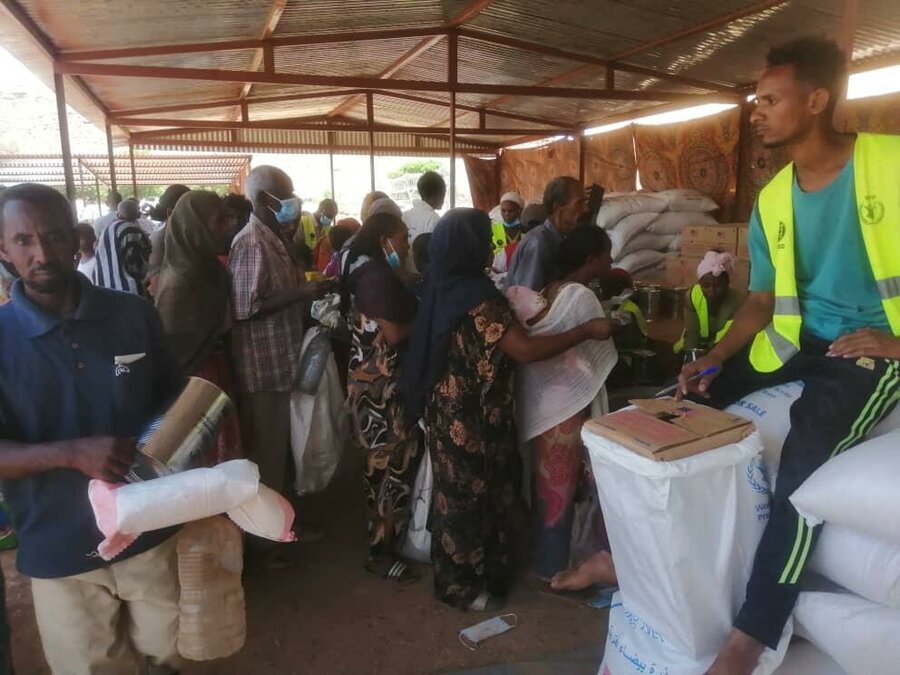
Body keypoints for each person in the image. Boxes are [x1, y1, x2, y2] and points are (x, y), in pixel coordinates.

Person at [676, 38, 900, 675]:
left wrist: (897, 344)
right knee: (687, 404)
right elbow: (760, 301)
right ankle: (640, 550)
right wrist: (711, 359)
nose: (757, 112)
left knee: (805, 459)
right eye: (756, 101)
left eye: (771, 99)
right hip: (797, 340)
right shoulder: (774, 197)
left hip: (869, 350)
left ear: (818, 100)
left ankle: (754, 630)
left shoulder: (891, 165)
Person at [0, 183, 184, 673]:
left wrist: (197, 485)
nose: (41, 253)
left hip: (150, 529)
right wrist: (70, 453)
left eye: (55, 237)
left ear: (77, 238)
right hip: (60, 549)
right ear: (3, 248)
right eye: (23, 241)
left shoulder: (132, 314)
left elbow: (175, 403)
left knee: (170, 654)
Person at [402, 208, 616, 611]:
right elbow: (524, 350)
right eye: (485, 238)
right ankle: (461, 587)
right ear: (470, 244)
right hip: (474, 416)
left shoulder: (444, 284)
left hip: (448, 408)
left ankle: (471, 575)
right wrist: (586, 330)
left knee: (459, 496)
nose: (491, 245)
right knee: (472, 499)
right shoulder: (477, 298)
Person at [508, 224, 620, 583]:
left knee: (546, 488)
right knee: (560, 488)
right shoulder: (580, 298)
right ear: (592, 258)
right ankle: (552, 567)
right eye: (607, 254)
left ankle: (546, 559)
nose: (612, 259)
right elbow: (588, 353)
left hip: (543, 401)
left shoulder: (550, 289)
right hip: (565, 407)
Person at [229, 166, 328, 560]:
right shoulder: (251, 242)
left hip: (279, 362)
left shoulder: (272, 238)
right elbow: (244, 308)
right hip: (262, 368)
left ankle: (280, 528)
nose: (292, 203)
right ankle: (264, 544)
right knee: (267, 459)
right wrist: (300, 292)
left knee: (279, 454)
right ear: (262, 199)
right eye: (284, 196)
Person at [340, 212, 421, 584]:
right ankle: (379, 552)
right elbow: (393, 334)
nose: (406, 244)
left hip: (370, 384)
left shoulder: (367, 269)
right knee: (389, 469)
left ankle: (383, 538)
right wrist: (428, 320)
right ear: (386, 238)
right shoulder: (375, 277)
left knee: (383, 467)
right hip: (380, 392)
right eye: (403, 238)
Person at [155, 191, 242, 466]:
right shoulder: (179, 283)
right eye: (219, 220)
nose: (227, 226)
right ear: (195, 226)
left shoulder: (208, 269)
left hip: (215, 369)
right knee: (205, 460)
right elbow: (172, 356)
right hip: (194, 382)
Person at [504, 176, 586, 291]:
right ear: (557, 207)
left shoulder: (559, 239)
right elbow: (526, 300)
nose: (585, 209)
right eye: (579, 203)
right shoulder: (538, 243)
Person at [674, 251, 743, 354]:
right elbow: (692, 332)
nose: (712, 291)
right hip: (698, 345)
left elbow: (728, 337)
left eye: (718, 286)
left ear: (727, 283)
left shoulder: (738, 301)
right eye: (706, 286)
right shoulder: (693, 296)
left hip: (723, 349)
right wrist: (690, 357)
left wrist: (710, 358)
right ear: (700, 283)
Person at [94, 200, 152, 297]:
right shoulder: (133, 231)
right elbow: (139, 266)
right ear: (138, 214)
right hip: (129, 292)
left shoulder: (107, 229)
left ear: (118, 215)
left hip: (104, 290)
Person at [145, 184, 190, 296]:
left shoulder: (187, 235)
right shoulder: (159, 240)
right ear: (170, 212)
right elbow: (159, 289)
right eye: (188, 210)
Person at [402, 171, 446, 272]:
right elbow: (435, 255)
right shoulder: (434, 219)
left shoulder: (404, 215)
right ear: (439, 193)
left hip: (405, 277)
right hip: (423, 277)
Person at [490, 191, 525, 256]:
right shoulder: (493, 230)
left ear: (519, 211)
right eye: (503, 210)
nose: (506, 214)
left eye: (511, 211)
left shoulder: (527, 230)